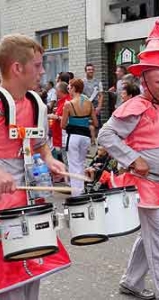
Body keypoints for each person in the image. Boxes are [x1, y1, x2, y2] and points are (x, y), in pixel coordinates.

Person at [98, 21, 159, 300]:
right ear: (145, 83)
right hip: (146, 185)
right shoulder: (134, 106)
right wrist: (133, 158)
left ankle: (132, 282)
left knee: (150, 236)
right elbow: (106, 135)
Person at [0, 34, 70, 299]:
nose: (43, 72)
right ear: (17, 68)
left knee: (34, 273)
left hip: (31, 201)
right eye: (38, 65)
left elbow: (39, 144)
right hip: (4, 206)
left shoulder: (35, 103)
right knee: (10, 281)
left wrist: (51, 160)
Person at [61, 78, 98, 196]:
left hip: (73, 137)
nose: (68, 90)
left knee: (73, 165)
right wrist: (85, 121)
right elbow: (96, 123)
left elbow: (62, 125)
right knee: (81, 163)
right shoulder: (89, 102)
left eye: (69, 87)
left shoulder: (68, 104)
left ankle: (76, 193)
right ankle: (81, 190)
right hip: (85, 137)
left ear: (73, 88)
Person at [82, 63, 104, 143]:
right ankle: (90, 142)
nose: (90, 71)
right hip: (85, 106)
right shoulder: (82, 82)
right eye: (88, 70)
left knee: (97, 125)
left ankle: (97, 143)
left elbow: (101, 95)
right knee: (87, 125)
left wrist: (99, 106)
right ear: (85, 71)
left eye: (92, 69)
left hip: (95, 105)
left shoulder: (98, 82)